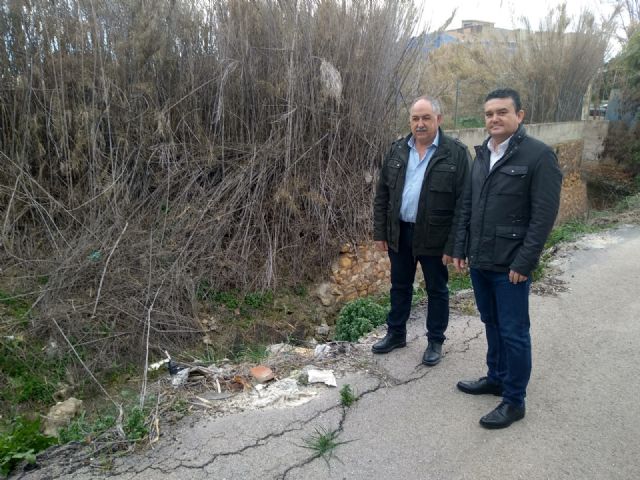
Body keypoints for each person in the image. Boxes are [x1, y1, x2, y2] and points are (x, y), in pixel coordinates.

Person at [452, 88, 562, 429]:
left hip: (511, 265)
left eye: (502, 112)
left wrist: (524, 262)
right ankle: (496, 377)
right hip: (481, 260)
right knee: (491, 322)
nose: (494, 119)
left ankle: (514, 401)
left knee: (514, 332)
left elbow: (543, 217)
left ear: (520, 115)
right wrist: (460, 247)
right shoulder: (482, 154)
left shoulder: (539, 156)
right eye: (489, 114)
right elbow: (468, 205)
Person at [372, 96, 470, 366]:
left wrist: (454, 245)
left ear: (439, 119)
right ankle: (396, 334)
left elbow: (464, 203)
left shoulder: (456, 154)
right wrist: (380, 232)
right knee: (399, 286)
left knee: (436, 289)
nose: (420, 124)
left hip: (435, 235)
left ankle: (435, 341)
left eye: (426, 118)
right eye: (415, 118)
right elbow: (382, 195)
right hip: (400, 232)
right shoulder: (397, 150)